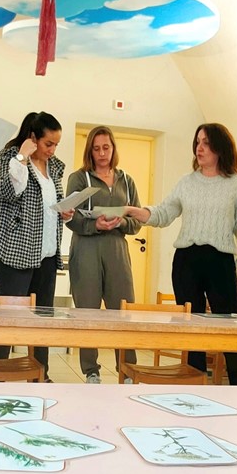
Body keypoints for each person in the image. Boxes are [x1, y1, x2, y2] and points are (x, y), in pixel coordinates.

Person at [125, 123, 237, 385]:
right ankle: (193, 386)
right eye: (197, 142)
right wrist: (141, 212)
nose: (200, 147)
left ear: (220, 147)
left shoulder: (235, 183)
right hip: (187, 261)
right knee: (191, 328)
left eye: (206, 143)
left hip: (220, 262)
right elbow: (165, 212)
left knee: (229, 327)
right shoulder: (186, 182)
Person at [0, 111, 72, 377]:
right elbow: (10, 192)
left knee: (43, 319)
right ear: (33, 138)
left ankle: (40, 375)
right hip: (14, 251)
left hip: (46, 253)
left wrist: (65, 210)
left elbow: (50, 203)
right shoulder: (10, 157)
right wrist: (22, 156)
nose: (52, 150)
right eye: (48, 143)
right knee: (8, 318)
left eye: (56, 144)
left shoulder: (54, 167)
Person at [64, 126, 142, 383]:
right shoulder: (79, 178)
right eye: (96, 148)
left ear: (113, 148)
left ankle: (128, 370)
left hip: (117, 249)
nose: (101, 153)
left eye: (106, 147)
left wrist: (122, 222)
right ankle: (91, 371)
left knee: (123, 310)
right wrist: (94, 224)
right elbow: (69, 218)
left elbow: (137, 221)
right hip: (86, 247)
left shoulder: (126, 181)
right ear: (90, 150)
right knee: (88, 311)